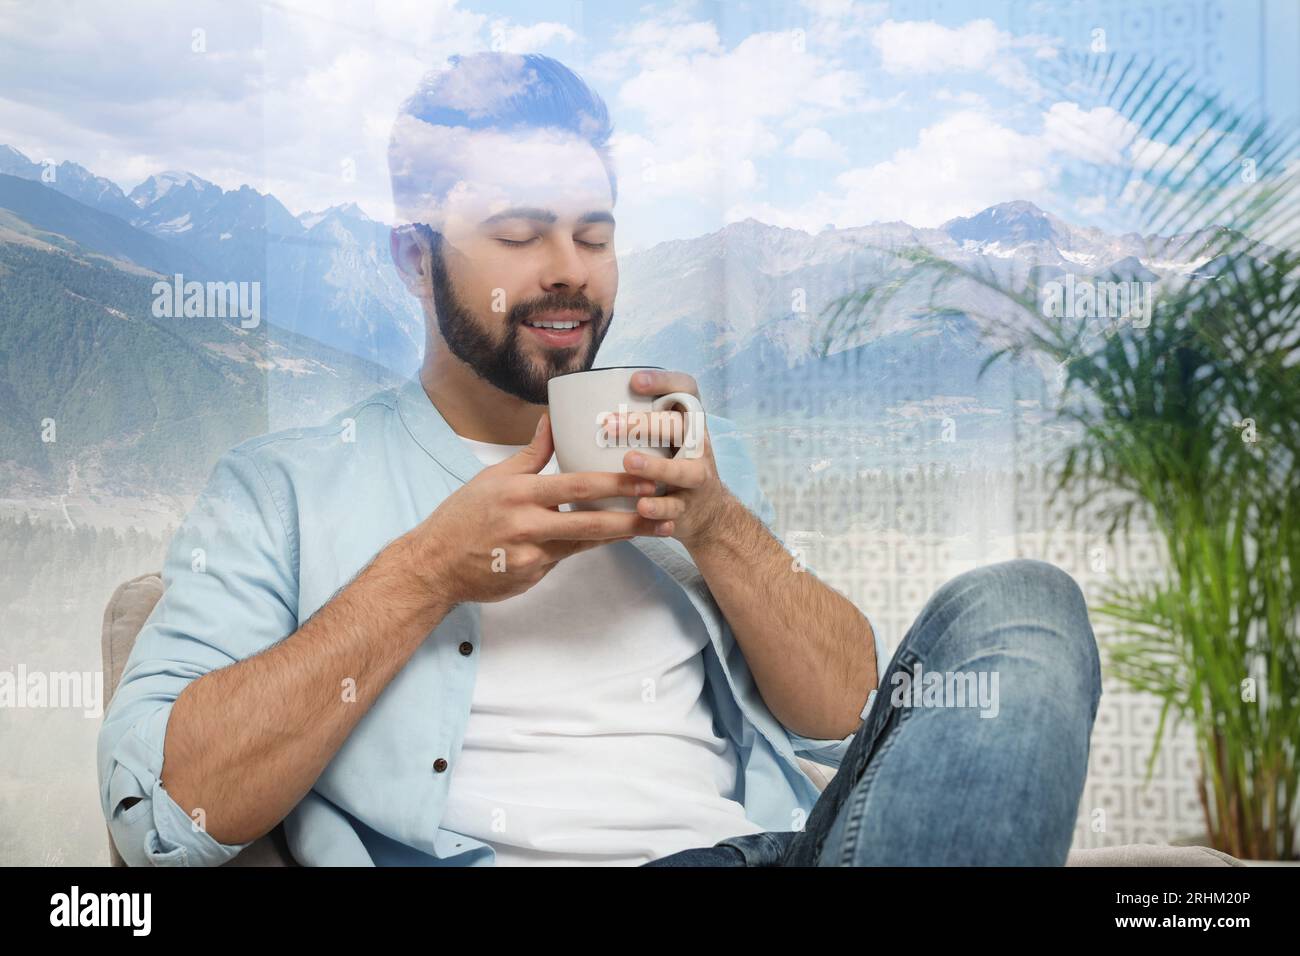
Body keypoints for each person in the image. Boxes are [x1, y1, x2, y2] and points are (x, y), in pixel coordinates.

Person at [98, 52, 1101, 867]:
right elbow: (160, 813)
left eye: (593, 232)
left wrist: (715, 523)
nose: (567, 269)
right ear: (411, 258)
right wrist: (428, 569)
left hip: (767, 851)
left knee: (1025, 604)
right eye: (519, 233)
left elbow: (848, 723)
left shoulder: (696, 459)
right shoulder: (281, 488)